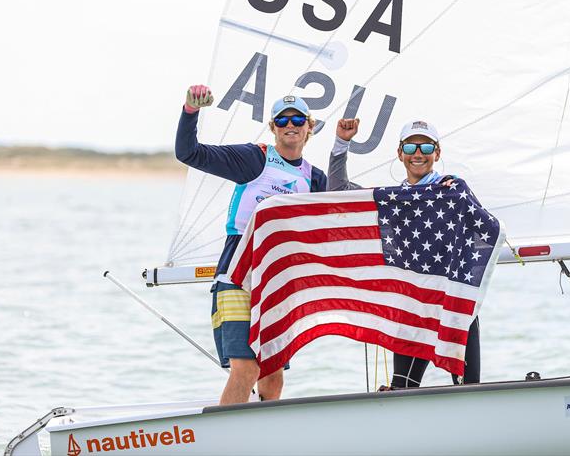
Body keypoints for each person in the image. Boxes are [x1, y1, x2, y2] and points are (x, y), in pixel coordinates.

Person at [176, 85, 328, 405]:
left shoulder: (315, 179)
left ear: (309, 127)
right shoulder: (253, 158)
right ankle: (228, 439)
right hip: (236, 275)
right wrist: (191, 111)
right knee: (246, 369)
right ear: (273, 127)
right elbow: (188, 153)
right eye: (282, 120)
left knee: (273, 375)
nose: (290, 124)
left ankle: (265, 434)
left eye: (298, 119)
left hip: (276, 281)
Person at [328, 118, 480, 388]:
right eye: (410, 148)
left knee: (469, 387)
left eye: (425, 147)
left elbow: (482, 230)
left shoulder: (453, 188)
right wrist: (341, 144)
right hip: (412, 309)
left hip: (453, 303)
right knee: (403, 388)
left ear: (437, 152)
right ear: (400, 154)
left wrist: (454, 194)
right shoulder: (392, 200)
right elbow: (337, 192)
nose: (418, 154)